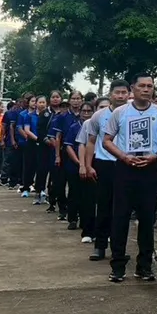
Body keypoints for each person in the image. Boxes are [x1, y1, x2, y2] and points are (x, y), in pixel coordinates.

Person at [102, 74, 157, 282]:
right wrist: (123, 156)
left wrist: (156, 156)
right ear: (133, 88)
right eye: (142, 86)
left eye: (150, 86)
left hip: (150, 168)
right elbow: (107, 140)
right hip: (125, 169)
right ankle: (118, 266)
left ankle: (144, 266)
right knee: (120, 217)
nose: (146, 89)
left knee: (147, 218)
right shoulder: (120, 112)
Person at [85, 83, 127, 259]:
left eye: (124, 92)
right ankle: (100, 246)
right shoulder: (99, 115)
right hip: (104, 164)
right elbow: (91, 141)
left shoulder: (132, 113)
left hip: (126, 164)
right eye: (117, 92)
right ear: (110, 94)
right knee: (103, 206)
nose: (120, 96)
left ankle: (119, 249)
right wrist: (88, 165)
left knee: (122, 209)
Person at [73, 99, 98, 243]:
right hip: (92, 161)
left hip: (111, 162)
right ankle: (88, 231)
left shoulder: (117, 122)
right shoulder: (89, 124)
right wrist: (83, 165)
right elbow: (82, 144)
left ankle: (104, 232)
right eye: (101, 107)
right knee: (88, 198)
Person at [62, 99, 88, 232]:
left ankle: (85, 221)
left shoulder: (96, 127)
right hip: (74, 165)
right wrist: (79, 162)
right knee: (74, 192)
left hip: (90, 166)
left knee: (86, 195)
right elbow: (69, 146)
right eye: (84, 111)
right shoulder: (74, 127)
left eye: (89, 111)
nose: (86, 114)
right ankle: (72, 219)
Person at [16, 96, 40, 197]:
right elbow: (19, 127)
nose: (34, 103)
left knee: (36, 165)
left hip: (38, 143)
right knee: (26, 165)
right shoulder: (23, 114)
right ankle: (24, 184)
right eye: (32, 101)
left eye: (36, 101)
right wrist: (28, 137)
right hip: (25, 142)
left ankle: (33, 184)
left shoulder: (41, 115)